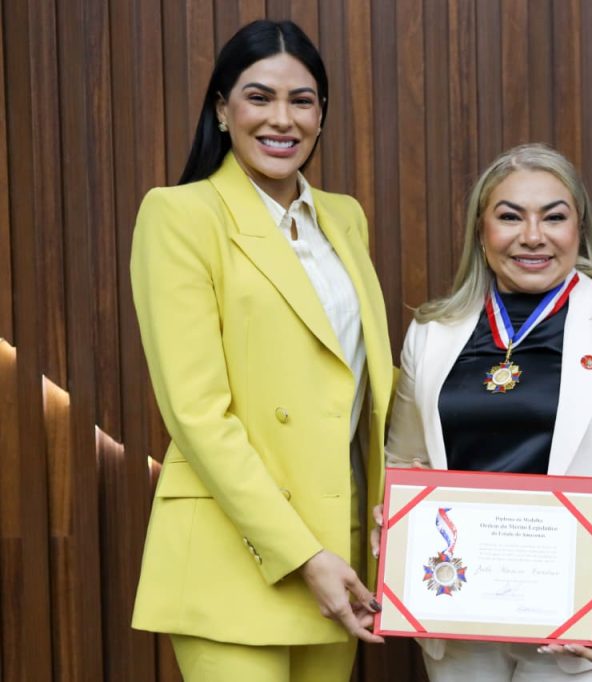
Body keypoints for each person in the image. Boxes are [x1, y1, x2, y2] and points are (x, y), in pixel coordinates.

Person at [129, 20, 392, 681]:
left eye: (302, 100)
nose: (283, 119)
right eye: (259, 96)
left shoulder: (345, 217)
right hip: (236, 554)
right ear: (222, 109)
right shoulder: (179, 215)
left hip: (340, 553)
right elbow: (197, 415)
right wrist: (305, 557)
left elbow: (362, 397)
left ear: (323, 113)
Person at [384, 143, 592, 681]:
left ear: (579, 229)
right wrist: (396, 522)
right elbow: (409, 462)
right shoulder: (431, 333)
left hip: (582, 623)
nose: (533, 236)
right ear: (481, 231)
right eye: (510, 217)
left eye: (554, 217)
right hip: (459, 615)